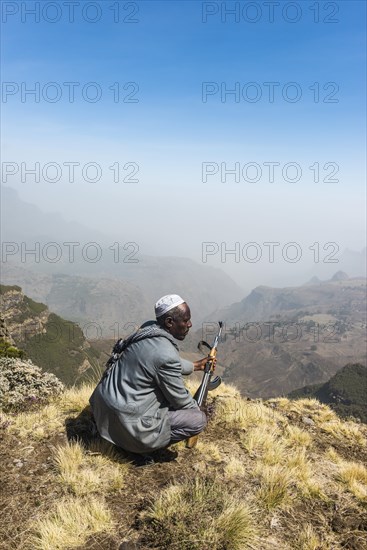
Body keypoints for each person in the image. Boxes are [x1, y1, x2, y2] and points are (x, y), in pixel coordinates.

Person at [89, 294, 211, 464]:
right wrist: (199, 411)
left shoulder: (147, 331)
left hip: (103, 412)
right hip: (128, 423)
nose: (190, 324)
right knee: (197, 421)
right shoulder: (165, 353)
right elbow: (181, 401)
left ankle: (115, 435)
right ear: (169, 322)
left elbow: (161, 361)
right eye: (186, 320)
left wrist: (196, 366)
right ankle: (138, 447)